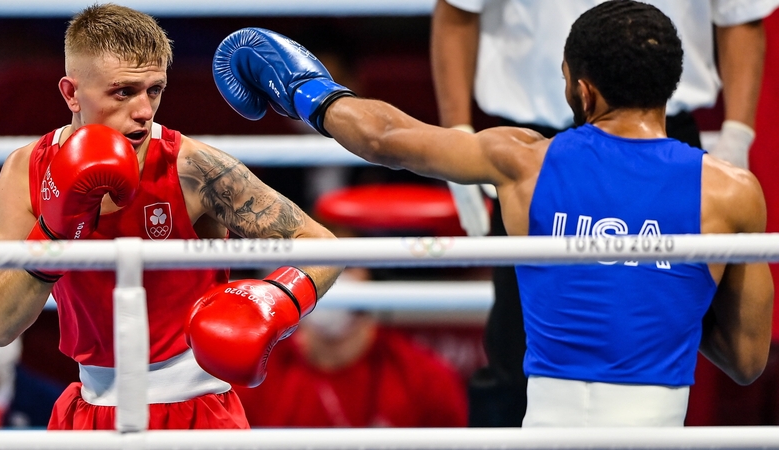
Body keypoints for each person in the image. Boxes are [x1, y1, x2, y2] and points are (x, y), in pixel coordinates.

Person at [211, 0, 773, 426]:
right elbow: (747, 360)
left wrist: (307, 89)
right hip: (661, 430)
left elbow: (385, 136)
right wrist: (663, 278)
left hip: (545, 428)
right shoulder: (731, 194)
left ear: (582, 89)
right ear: (672, 84)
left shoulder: (522, 163)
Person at [0, 3, 342, 430]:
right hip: (89, 409)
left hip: (199, 410)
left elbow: (320, 245)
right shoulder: (28, 171)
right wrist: (54, 231)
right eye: (123, 92)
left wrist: (275, 300)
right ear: (71, 93)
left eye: (154, 90)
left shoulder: (193, 168)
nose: (143, 110)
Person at [429, 0, 776, 426]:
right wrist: (458, 127)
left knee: (661, 336)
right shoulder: (520, 160)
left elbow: (740, 13)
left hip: (653, 133)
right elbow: (457, 10)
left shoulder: (722, 187)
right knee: (514, 349)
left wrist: (737, 134)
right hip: (534, 143)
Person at [235, 267, 468, 428]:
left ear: (371, 280)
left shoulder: (426, 378)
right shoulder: (253, 378)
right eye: (317, 268)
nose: (331, 279)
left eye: (345, 268)